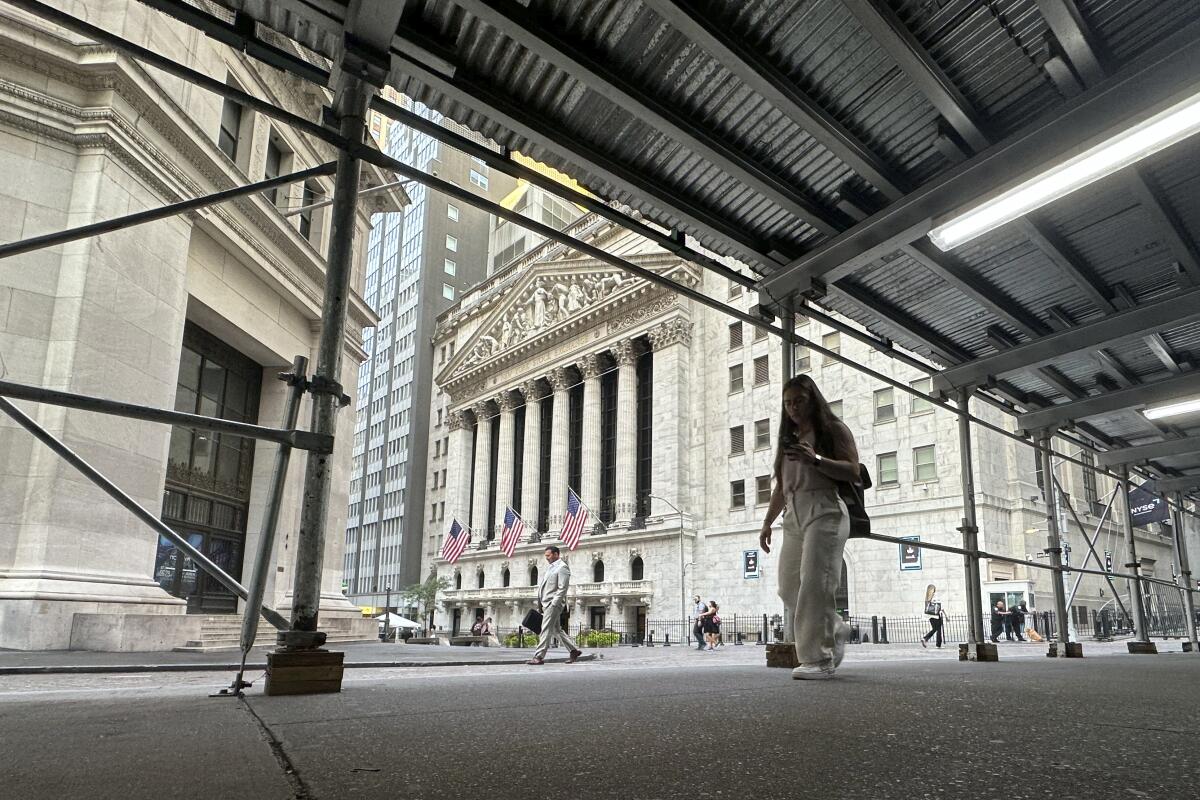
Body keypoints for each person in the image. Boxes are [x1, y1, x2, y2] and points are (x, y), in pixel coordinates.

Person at [760, 375, 862, 680]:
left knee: (816, 583)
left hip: (825, 508)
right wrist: (767, 522)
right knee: (788, 586)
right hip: (793, 513)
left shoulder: (832, 430)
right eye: (788, 402)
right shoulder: (788, 438)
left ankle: (818, 659)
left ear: (812, 399)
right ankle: (835, 627)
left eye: (799, 401)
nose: (793, 408)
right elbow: (781, 487)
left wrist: (815, 459)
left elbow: (852, 470)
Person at [528, 546, 582, 665]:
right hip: (546, 603)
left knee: (545, 629)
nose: (546, 558)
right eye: (546, 555)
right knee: (557, 630)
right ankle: (573, 650)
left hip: (553, 604)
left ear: (556, 554)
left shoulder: (562, 567)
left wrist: (554, 603)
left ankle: (539, 656)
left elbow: (562, 588)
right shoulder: (551, 568)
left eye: (548, 555)